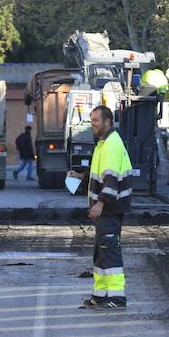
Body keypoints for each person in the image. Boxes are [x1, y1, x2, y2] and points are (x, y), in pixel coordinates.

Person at [67, 106, 132, 310]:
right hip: (106, 209)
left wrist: (101, 202)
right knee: (101, 251)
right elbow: (101, 174)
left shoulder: (111, 144)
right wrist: (82, 176)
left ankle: (116, 298)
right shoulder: (103, 144)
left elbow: (111, 179)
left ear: (108, 122)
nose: (92, 124)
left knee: (109, 251)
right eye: (91, 120)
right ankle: (101, 295)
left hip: (109, 208)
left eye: (96, 120)